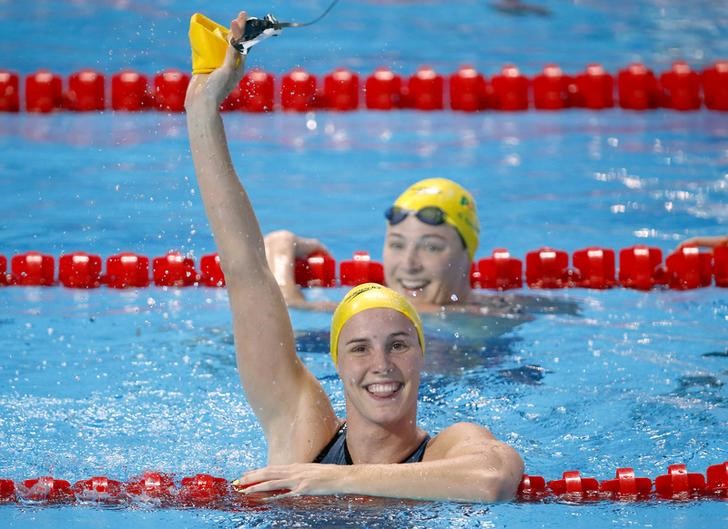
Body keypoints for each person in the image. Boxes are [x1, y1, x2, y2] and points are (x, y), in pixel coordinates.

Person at [185, 11, 524, 502]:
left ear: (421, 354)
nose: (381, 364)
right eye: (360, 348)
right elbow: (244, 268)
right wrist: (202, 106)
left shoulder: (447, 447)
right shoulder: (305, 429)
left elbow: (493, 480)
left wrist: (327, 479)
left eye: (399, 345)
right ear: (337, 363)